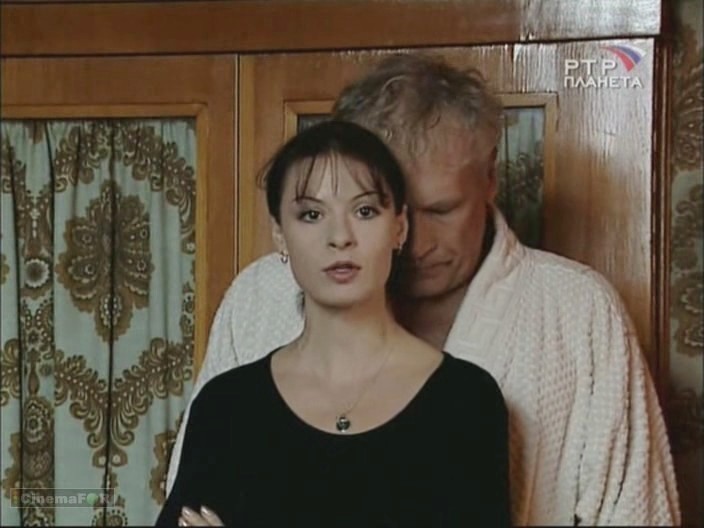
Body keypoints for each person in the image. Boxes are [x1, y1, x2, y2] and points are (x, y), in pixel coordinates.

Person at [166, 54, 681, 525]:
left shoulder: (578, 313)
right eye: (375, 209)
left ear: (490, 178)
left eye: (441, 210)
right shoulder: (259, 298)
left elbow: (638, 514)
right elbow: (193, 502)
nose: (414, 240)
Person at [156, 120, 510, 527]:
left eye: (364, 211)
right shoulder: (227, 408)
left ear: (399, 227)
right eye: (311, 214)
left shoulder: (465, 402)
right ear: (279, 235)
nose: (340, 237)